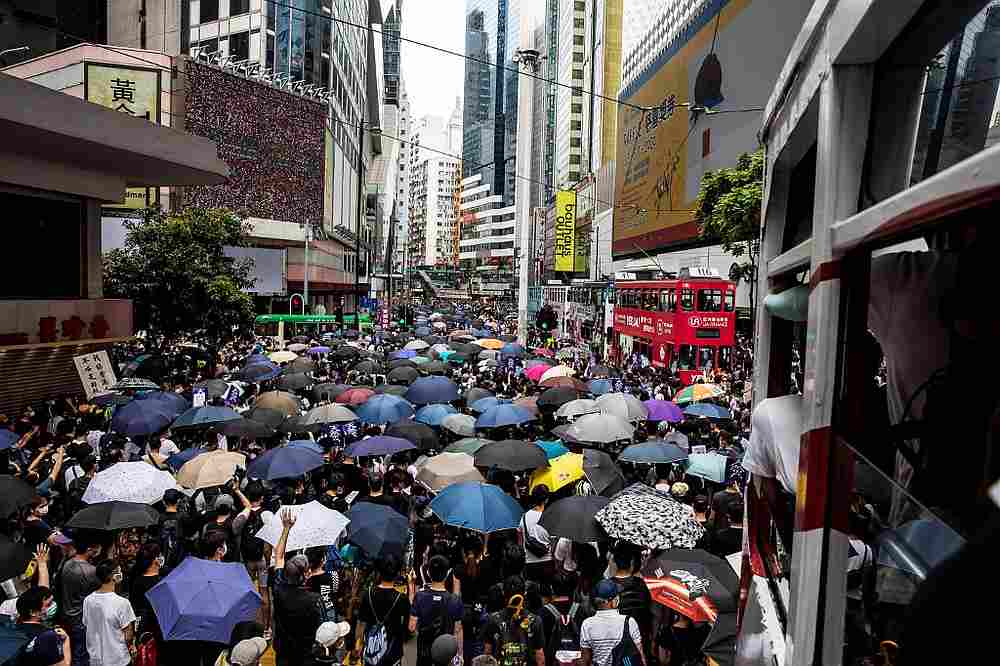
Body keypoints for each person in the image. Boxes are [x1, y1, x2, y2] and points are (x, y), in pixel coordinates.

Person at [272, 510, 325, 666]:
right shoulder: (313, 600)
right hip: (304, 653)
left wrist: (286, 528)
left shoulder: (278, 589)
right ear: (306, 574)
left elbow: (279, 555)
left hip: (282, 649)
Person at [355, 555, 412, 666]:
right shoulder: (401, 598)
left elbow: (361, 623)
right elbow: (408, 627)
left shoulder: (368, 594)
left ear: (380, 572)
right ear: (397, 573)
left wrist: (359, 644)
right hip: (393, 652)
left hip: (371, 649)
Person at [411, 556, 464, 666]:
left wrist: (411, 587)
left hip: (423, 654)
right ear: (446, 574)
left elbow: (411, 627)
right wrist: (460, 654)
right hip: (446, 654)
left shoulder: (420, 596)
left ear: (429, 574)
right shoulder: (455, 600)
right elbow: (458, 630)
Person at [481, 576, 545, 666]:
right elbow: (540, 657)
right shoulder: (535, 620)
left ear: (503, 593)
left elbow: (487, 653)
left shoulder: (493, 619)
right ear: (524, 593)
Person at [579, 580, 645, 666]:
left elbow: (585, 659)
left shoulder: (587, 624)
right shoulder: (629, 622)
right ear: (612, 601)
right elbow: (640, 656)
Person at [81, 560, 135, 666]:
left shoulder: (88, 600)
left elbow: (87, 624)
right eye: (118, 571)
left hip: (95, 660)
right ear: (113, 576)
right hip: (119, 660)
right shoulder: (122, 603)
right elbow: (128, 635)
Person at [60, 535, 101, 666]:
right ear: (89, 549)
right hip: (81, 618)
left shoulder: (67, 563)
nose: (99, 549)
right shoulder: (91, 571)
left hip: (67, 614)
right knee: (81, 654)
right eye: (96, 547)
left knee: (71, 650)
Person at [7, 586, 70, 666]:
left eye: (53, 601)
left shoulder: (11, 630)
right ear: (33, 612)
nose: (53, 605)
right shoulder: (47, 636)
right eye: (48, 604)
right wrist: (66, 640)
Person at [608, 547, 652, 661]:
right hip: (640, 638)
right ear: (632, 563)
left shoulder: (606, 586)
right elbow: (647, 610)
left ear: (614, 562)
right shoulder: (643, 585)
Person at [520, 488, 552, 583]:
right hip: (548, 561)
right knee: (546, 593)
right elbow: (554, 541)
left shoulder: (524, 517)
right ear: (546, 500)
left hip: (529, 562)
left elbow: (520, 540)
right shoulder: (550, 516)